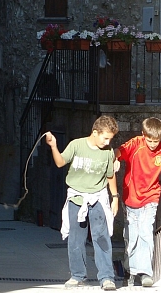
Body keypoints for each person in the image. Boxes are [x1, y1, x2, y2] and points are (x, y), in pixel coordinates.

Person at [45, 115, 120, 290]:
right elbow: (60, 162)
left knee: (101, 238)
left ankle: (107, 277)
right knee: (75, 239)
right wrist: (54, 146)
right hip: (77, 198)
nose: (108, 142)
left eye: (110, 139)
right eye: (105, 137)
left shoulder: (107, 152)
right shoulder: (76, 145)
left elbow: (110, 176)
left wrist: (115, 198)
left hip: (98, 198)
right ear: (95, 132)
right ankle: (77, 275)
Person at [114, 117, 161, 287]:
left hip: (151, 197)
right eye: (150, 140)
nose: (153, 144)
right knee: (132, 236)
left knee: (146, 233)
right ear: (143, 135)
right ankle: (130, 270)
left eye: (156, 141)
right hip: (131, 198)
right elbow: (119, 150)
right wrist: (115, 158)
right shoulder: (136, 144)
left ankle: (145, 272)